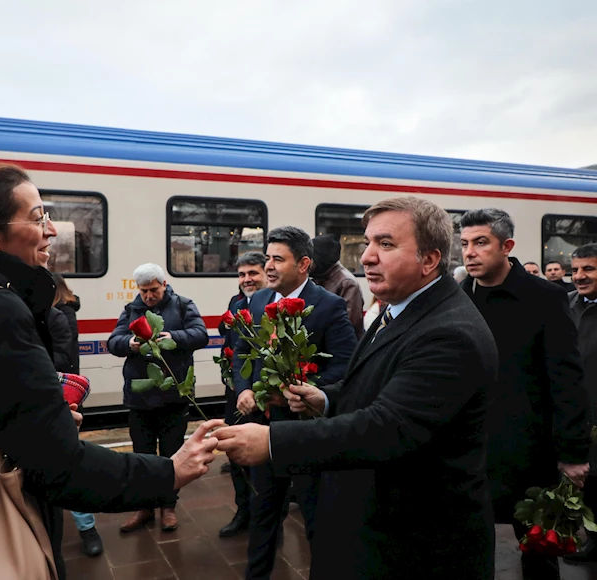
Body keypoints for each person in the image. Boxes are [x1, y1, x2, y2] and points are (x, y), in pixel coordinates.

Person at [0, 163, 221, 580]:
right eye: (38, 218)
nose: (52, 230)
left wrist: (36, 418)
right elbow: (58, 467)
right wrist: (170, 472)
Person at [215, 196, 499, 579]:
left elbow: (387, 427)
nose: (365, 258)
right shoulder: (400, 310)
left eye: (385, 244)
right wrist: (327, 398)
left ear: (429, 260)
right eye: (367, 243)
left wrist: (270, 442)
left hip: (414, 547)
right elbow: (369, 382)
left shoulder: (448, 333)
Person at [459, 208, 590, 580]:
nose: (470, 252)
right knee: (467, 548)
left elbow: (566, 379)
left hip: (529, 451)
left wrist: (572, 453)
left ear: (507, 246)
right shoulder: (458, 297)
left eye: (481, 242)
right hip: (469, 450)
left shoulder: (544, 298)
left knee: (538, 554)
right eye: (465, 243)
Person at [233, 226, 357, 580]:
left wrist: (303, 390)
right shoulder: (257, 301)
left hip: (306, 432)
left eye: (277, 259)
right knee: (263, 511)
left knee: (316, 515)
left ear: (303, 264)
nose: (268, 266)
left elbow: (344, 367)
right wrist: (243, 387)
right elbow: (242, 351)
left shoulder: (329, 306)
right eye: (267, 257)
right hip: (264, 429)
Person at [107, 263, 209, 533]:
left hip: (173, 395)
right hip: (140, 399)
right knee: (142, 455)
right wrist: (129, 344)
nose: (149, 296)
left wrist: (172, 337)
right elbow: (113, 341)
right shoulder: (131, 310)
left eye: (154, 289)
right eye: (144, 291)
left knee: (171, 456)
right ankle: (144, 508)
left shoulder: (184, 305)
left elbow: (201, 335)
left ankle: (168, 507)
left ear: (164, 284)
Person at [48, 275, 103, 558]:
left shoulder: (59, 315)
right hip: (38, 395)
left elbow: (64, 357)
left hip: (57, 395)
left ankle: (87, 528)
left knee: (69, 460)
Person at [217, 251, 267, 539]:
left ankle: (265, 514)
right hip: (236, 392)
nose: (247, 279)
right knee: (234, 451)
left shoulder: (275, 304)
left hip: (265, 394)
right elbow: (231, 344)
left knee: (263, 460)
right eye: (242, 274)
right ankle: (242, 511)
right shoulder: (236, 303)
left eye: (253, 273)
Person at [561, 243, 597, 564]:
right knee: (588, 481)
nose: (580, 276)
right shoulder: (564, 304)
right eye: (575, 270)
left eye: (589, 269)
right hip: (577, 410)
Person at [311, 234, 365, 339]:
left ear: (321, 259)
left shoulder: (347, 283)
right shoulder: (319, 277)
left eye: (311, 259)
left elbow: (348, 324)